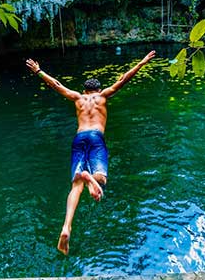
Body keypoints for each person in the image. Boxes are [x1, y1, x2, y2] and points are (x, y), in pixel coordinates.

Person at [25, 50, 156, 255]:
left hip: (79, 139)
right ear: (97, 89)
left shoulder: (77, 98)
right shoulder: (103, 96)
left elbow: (56, 85)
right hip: (96, 138)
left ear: (84, 90)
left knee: (75, 186)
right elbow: (123, 79)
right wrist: (142, 62)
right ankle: (90, 179)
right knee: (101, 179)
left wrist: (38, 71)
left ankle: (66, 227)